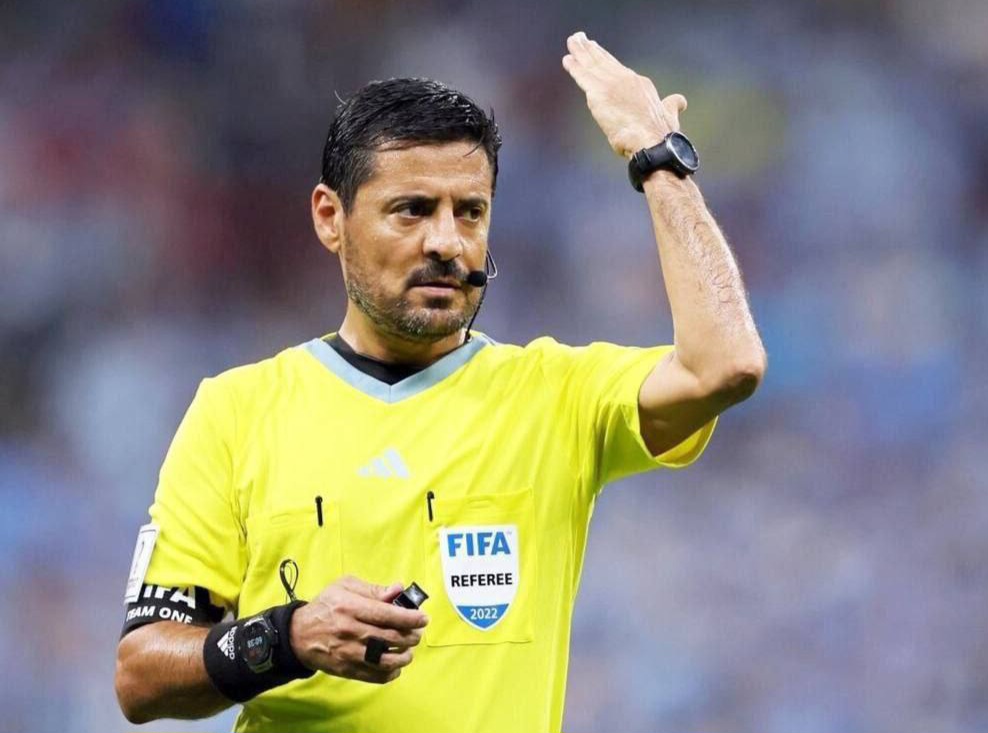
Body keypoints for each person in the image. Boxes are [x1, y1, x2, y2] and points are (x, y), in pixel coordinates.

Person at [114, 31, 765, 733]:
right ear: (331, 218)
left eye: (471, 212)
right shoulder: (238, 411)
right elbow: (141, 675)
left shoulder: (556, 396)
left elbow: (725, 365)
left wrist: (660, 159)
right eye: (413, 210)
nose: (447, 242)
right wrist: (289, 636)